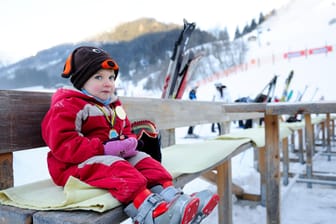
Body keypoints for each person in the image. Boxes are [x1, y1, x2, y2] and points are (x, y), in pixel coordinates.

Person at [41, 46, 218, 224]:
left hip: (107, 158)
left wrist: (129, 142)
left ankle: (173, 198)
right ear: (81, 81)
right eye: (98, 77)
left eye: (111, 77)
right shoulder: (68, 106)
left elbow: (124, 131)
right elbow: (62, 143)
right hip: (73, 167)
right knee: (118, 167)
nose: (108, 83)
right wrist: (103, 148)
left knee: (145, 161)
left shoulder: (112, 106)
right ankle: (150, 214)